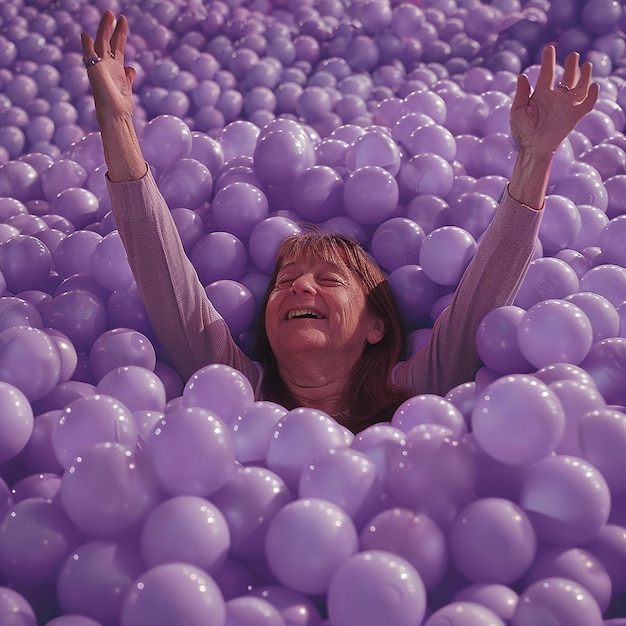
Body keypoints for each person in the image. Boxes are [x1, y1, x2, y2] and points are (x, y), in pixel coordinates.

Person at [81, 10, 598, 433]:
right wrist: (118, 124)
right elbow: (166, 277)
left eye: (328, 280)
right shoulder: (235, 392)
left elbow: (482, 298)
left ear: (377, 327)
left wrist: (536, 159)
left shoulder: (418, 396)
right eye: (284, 282)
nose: (299, 287)